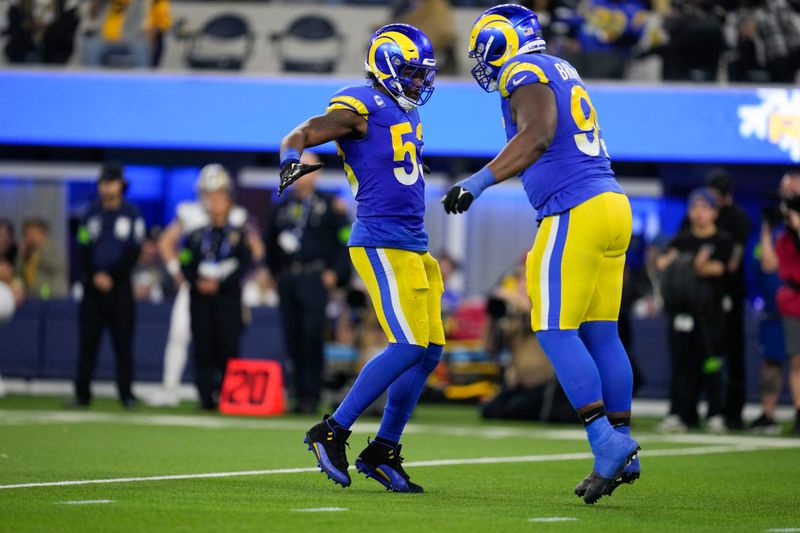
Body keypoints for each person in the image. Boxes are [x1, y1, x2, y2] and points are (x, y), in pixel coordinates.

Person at [443, 4, 638, 504]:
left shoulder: (523, 70)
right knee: (601, 333)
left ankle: (605, 442)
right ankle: (621, 448)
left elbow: (539, 134)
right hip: (612, 204)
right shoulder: (559, 67)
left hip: (575, 208)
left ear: (503, 40)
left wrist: (478, 181)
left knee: (551, 328)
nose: (482, 61)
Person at [279, 23, 443, 493]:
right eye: (411, 73)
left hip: (413, 240)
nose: (418, 82)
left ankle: (384, 450)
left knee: (429, 351)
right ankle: (332, 430)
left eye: (421, 74)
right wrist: (291, 153)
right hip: (380, 239)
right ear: (387, 66)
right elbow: (307, 130)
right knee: (408, 344)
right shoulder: (362, 103)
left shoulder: (402, 112)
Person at [148, 164, 263, 407]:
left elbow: (256, 250)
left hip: (226, 288)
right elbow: (165, 242)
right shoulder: (189, 212)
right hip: (195, 284)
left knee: (225, 340)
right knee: (180, 334)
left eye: (218, 191)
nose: (213, 197)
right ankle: (170, 387)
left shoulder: (238, 216)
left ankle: (227, 393)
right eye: (209, 191)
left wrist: (236, 276)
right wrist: (176, 272)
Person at [265, 151, 351, 415]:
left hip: (316, 277)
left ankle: (312, 395)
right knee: (292, 337)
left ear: (317, 172)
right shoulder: (282, 205)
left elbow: (346, 240)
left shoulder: (331, 205)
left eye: (307, 167)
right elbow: (270, 242)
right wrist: (274, 272)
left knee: (312, 336)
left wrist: (336, 273)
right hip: (289, 278)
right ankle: (296, 394)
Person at [655, 189, 732, 434]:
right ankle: (680, 413)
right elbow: (662, 263)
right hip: (682, 312)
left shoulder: (722, 240)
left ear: (714, 212)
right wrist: (692, 262)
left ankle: (715, 413)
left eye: (704, 207)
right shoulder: (682, 238)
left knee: (711, 363)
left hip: (710, 314)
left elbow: (715, 269)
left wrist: (686, 263)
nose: (698, 213)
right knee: (681, 364)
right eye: (694, 207)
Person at [72, 163, 144, 408]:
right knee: (87, 342)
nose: (107, 187)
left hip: (120, 287)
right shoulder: (89, 213)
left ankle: (126, 393)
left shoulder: (132, 214)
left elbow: (134, 251)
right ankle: (82, 394)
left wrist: (112, 275)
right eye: (103, 182)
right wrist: (95, 275)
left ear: (121, 185)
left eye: (111, 182)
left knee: (123, 342)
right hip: (92, 288)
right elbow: (82, 249)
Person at [179, 171, 252, 411]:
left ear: (229, 202)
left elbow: (244, 264)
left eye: (220, 199)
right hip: (200, 299)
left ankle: (229, 395)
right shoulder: (196, 235)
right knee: (202, 347)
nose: (215, 204)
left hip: (227, 300)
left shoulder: (238, 235)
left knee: (227, 347)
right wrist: (197, 282)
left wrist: (220, 284)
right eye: (211, 199)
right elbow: (185, 261)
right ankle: (204, 396)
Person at [706, 170, 751, 430]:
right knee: (710, 354)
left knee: (733, 353)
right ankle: (710, 408)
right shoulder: (702, 216)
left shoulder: (738, 219)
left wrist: (714, 264)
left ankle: (733, 411)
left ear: (727, 197)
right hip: (706, 297)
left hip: (731, 294)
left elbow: (733, 262)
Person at [765, 172, 800, 436]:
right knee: (796, 360)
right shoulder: (781, 232)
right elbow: (770, 264)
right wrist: (767, 228)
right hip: (792, 301)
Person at [750, 200, 787, 434]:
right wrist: (766, 230)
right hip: (773, 310)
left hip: (793, 307)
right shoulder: (763, 240)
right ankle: (768, 413)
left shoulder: (789, 237)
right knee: (771, 363)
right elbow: (766, 265)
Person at [82, 0, 171, 68]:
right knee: (91, 45)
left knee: (141, 46)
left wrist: (151, 32)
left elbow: (163, 23)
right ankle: (94, 85)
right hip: (107, 39)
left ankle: (141, 85)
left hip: (136, 38)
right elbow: (92, 16)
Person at [3, 0, 79, 64]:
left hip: (55, 46)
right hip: (24, 45)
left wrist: (49, 27)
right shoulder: (19, 3)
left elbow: (69, 23)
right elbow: (13, 21)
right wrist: (26, 24)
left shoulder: (66, 3)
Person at [18, 218, 68, 300]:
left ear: (43, 233)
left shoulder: (51, 248)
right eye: (26, 234)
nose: (29, 237)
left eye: (32, 233)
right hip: (31, 295)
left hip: (51, 294)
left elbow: (54, 266)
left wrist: (40, 247)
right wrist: (22, 255)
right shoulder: (28, 251)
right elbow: (19, 272)